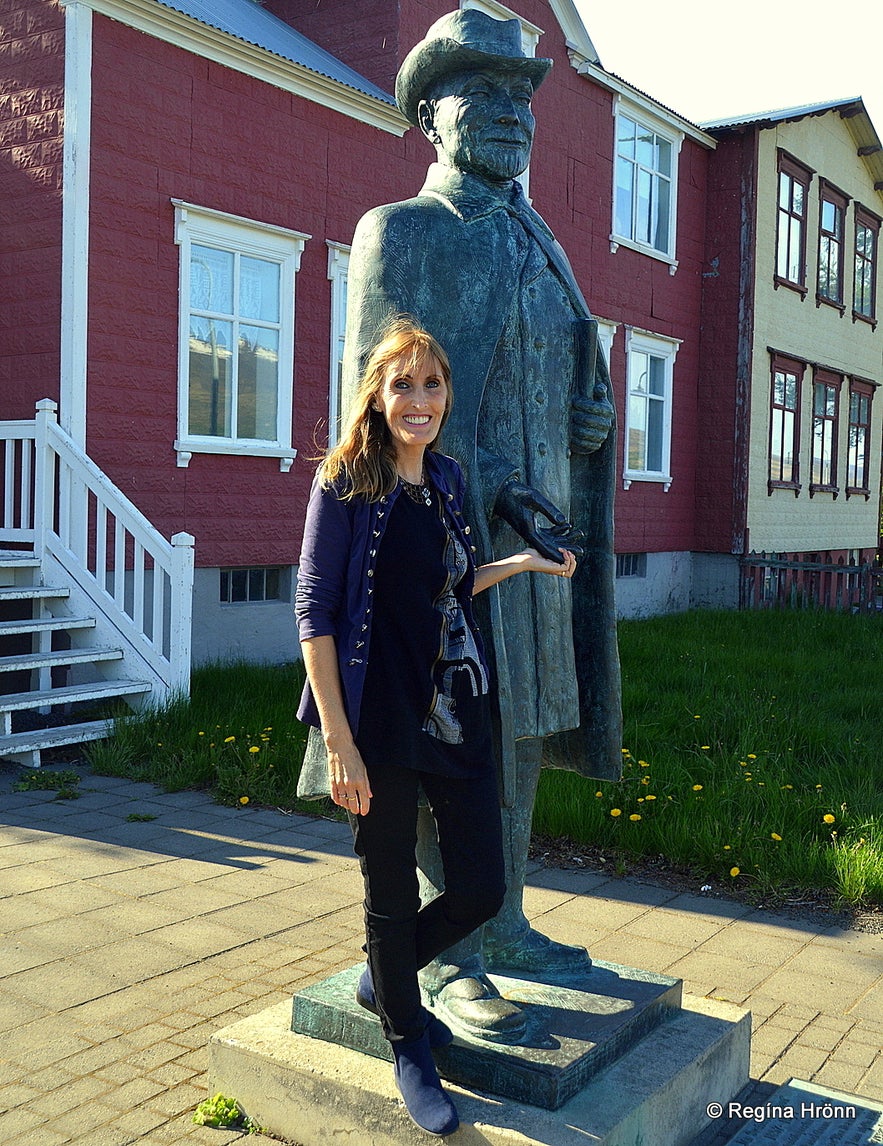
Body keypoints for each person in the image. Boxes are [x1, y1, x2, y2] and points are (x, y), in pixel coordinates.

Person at [329, 9, 622, 1040]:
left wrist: (592, 419)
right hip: (440, 536)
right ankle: (444, 953)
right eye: (482, 94)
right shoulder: (403, 232)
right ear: (429, 114)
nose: (510, 116)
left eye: (521, 97)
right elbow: (376, 402)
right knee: (442, 732)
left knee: (524, 724)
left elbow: (560, 368)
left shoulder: (538, 241)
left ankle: (501, 918)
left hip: (534, 536)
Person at [295, 317, 578, 1136]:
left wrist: (522, 563)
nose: (419, 400)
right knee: (388, 892)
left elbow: (450, 586)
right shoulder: (346, 480)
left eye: (432, 384)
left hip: (457, 713)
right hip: (377, 719)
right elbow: (313, 614)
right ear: (377, 398)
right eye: (403, 385)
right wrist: (339, 743)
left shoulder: (448, 479)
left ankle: (384, 977)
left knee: (482, 887)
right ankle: (407, 1038)